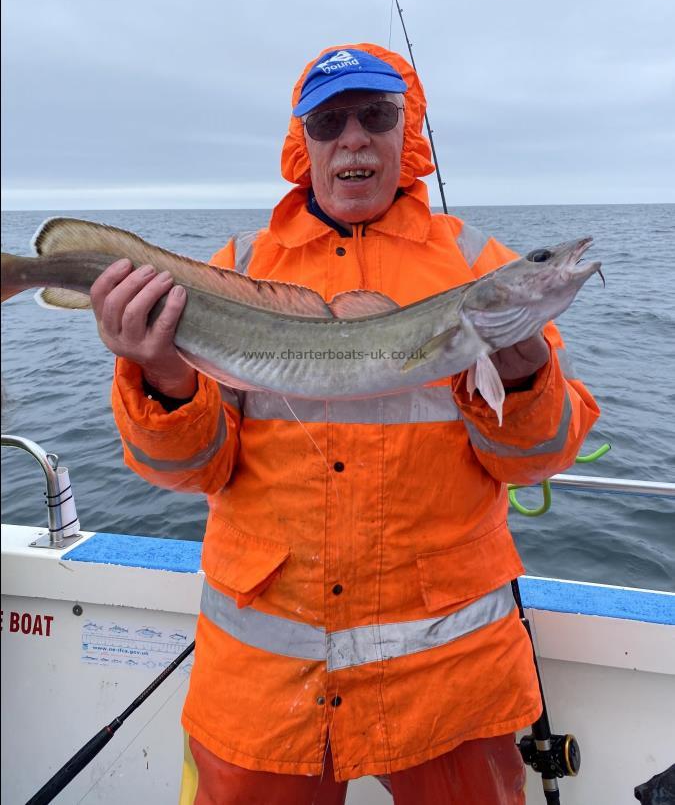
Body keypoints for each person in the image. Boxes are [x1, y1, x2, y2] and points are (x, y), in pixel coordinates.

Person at [91, 44, 600, 804]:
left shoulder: (476, 265)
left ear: (408, 133)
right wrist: (163, 378)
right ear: (304, 144)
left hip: (449, 680)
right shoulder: (235, 272)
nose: (353, 137)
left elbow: (536, 459)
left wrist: (523, 372)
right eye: (329, 121)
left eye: (376, 115)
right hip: (263, 687)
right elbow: (186, 470)